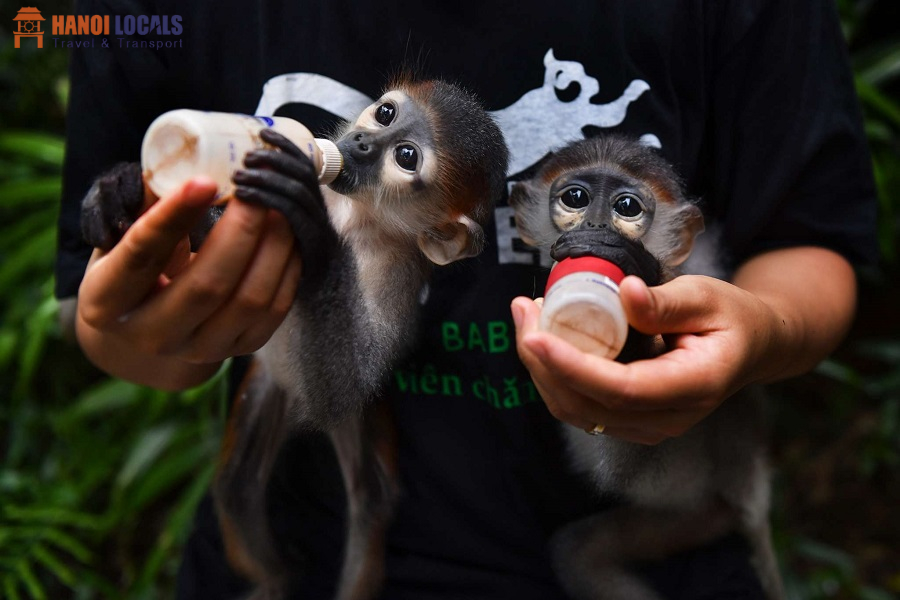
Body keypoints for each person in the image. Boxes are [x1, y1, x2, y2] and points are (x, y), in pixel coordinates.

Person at [57, 1, 878, 598]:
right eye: (381, 118)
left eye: (401, 154)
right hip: (299, 549)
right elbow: (122, 317)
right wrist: (128, 304)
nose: (363, 144)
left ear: (451, 240)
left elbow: (811, 238)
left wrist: (759, 330)